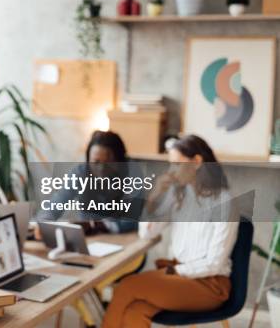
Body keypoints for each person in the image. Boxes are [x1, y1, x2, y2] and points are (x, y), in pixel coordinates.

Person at [102, 134, 238, 328]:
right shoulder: (178, 194)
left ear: (197, 162)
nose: (171, 171)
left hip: (209, 284)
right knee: (135, 311)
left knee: (127, 286)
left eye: (176, 164)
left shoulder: (224, 201)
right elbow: (146, 234)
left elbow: (215, 264)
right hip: (178, 275)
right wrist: (155, 196)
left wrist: (175, 271)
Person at [36, 130, 143, 234]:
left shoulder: (132, 172)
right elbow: (56, 204)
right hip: (88, 236)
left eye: (108, 163)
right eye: (96, 162)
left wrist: (97, 225)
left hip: (124, 237)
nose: (101, 168)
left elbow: (134, 218)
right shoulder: (80, 173)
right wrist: (43, 223)